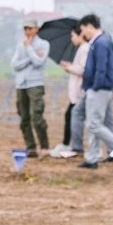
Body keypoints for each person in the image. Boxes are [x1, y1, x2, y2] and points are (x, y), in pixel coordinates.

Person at [75, 15, 113, 170]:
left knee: (94, 124)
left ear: (90, 26)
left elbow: (101, 68)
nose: (83, 34)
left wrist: (95, 86)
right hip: (99, 87)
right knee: (95, 123)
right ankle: (92, 158)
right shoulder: (98, 41)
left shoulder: (101, 42)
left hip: (99, 88)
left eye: (83, 30)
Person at [11, 18, 51, 157]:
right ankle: (31, 147)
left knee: (36, 116)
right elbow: (15, 65)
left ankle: (44, 146)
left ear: (36, 29)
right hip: (21, 84)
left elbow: (39, 62)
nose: (27, 31)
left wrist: (28, 48)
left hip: (35, 84)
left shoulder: (43, 44)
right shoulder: (20, 45)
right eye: (25, 28)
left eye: (30, 28)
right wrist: (29, 58)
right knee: (24, 117)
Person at [51, 28, 88, 158]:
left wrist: (70, 67)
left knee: (71, 116)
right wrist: (70, 66)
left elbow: (84, 70)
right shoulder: (81, 49)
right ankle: (69, 144)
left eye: (73, 36)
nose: (71, 39)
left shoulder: (84, 49)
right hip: (76, 92)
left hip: (79, 91)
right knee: (71, 116)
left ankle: (69, 145)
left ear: (80, 35)